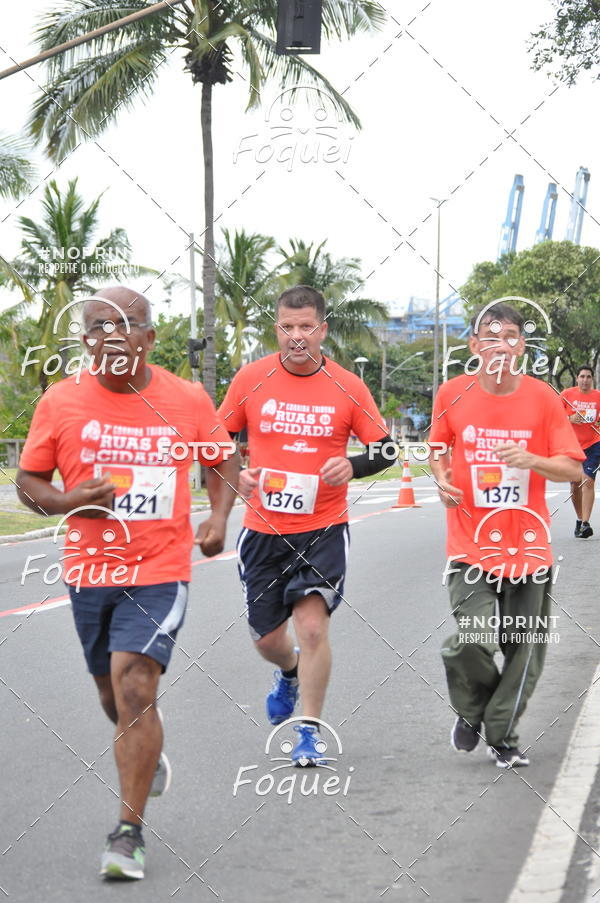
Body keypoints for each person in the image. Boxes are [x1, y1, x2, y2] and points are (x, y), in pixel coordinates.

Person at [16, 287, 238, 880]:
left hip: (159, 568)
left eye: (127, 324)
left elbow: (220, 458)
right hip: (91, 572)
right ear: (85, 339)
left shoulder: (186, 399)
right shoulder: (60, 403)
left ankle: (128, 832)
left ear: (149, 337)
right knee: (113, 698)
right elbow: (30, 481)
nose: (113, 334)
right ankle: (146, 751)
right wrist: (66, 501)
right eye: (98, 325)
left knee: (137, 687)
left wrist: (217, 517)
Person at [218, 285, 395, 765]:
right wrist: (240, 473)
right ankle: (289, 671)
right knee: (267, 639)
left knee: (313, 627)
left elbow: (386, 450)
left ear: (323, 329)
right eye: (288, 327)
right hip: (263, 529)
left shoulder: (347, 386)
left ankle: (309, 729)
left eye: (307, 327)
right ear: (277, 328)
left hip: (322, 527)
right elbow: (216, 443)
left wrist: (352, 467)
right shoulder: (250, 379)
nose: (297, 336)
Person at [429, 302, 583, 768]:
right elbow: (438, 449)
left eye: (511, 336)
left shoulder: (542, 398)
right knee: (470, 640)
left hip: (529, 548)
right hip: (470, 545)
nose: (501, 345)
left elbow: (574, 467)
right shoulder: (451, 393)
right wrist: (441, 479)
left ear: (522, 345)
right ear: (475, 346)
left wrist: (531, 460)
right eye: (491, 337)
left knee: (524, 649)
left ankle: (503, 735)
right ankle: (477, 709)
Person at [560, 365, 600, 537]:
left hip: (594, 444)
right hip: (572, 445)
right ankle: (579, 520)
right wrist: (570, 418)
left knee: (588, 481)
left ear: (592, 379)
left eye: (588, 377)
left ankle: (585, 523)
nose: (585, 380)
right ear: (577, 378)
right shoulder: (567, 395)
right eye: (582, 376)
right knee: (575, 484)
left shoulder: (598, 397)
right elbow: (553, 417)